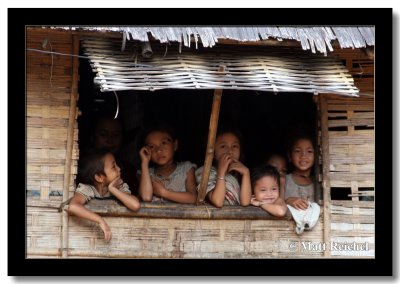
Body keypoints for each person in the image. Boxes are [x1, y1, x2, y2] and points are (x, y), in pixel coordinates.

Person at [68, 148, 141, 241]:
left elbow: (135, 205)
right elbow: (73, 207)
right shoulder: (88, 189)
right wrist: (100, 220)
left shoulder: (120, 187)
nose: (119, 168)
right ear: (99, 177)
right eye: (114, 167)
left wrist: (113, 189)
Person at [138, 124, 197, 204]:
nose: (158, 150)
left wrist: (164, 192)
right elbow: (146, 197)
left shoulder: (186, 169)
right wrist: (144, 163)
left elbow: (193, 198)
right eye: (151, 146)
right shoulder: (147, 173)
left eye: (164, 143)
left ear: (175, 145)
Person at [195, 127, 251, 208]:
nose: (230, 151)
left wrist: (246, 173)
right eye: (223, 146)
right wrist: (221, 173)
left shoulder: (239, 175)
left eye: (235, 146)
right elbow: (218, 201)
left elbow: (245, 203)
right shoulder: (205, 172)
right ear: (212, 152)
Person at [91, 115, 139, 196]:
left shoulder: (129, 171)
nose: (110, 140)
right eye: (103, 134)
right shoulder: (80, 169)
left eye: (116, 135)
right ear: (92, 137)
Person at [284, 134, 320, 234]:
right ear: (290, 156)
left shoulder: (320, 183)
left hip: (315, 234)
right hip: (286, 232)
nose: (303, 156)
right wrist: (288, 200)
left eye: (309, 151)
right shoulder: (284, 180)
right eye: (297, 151)